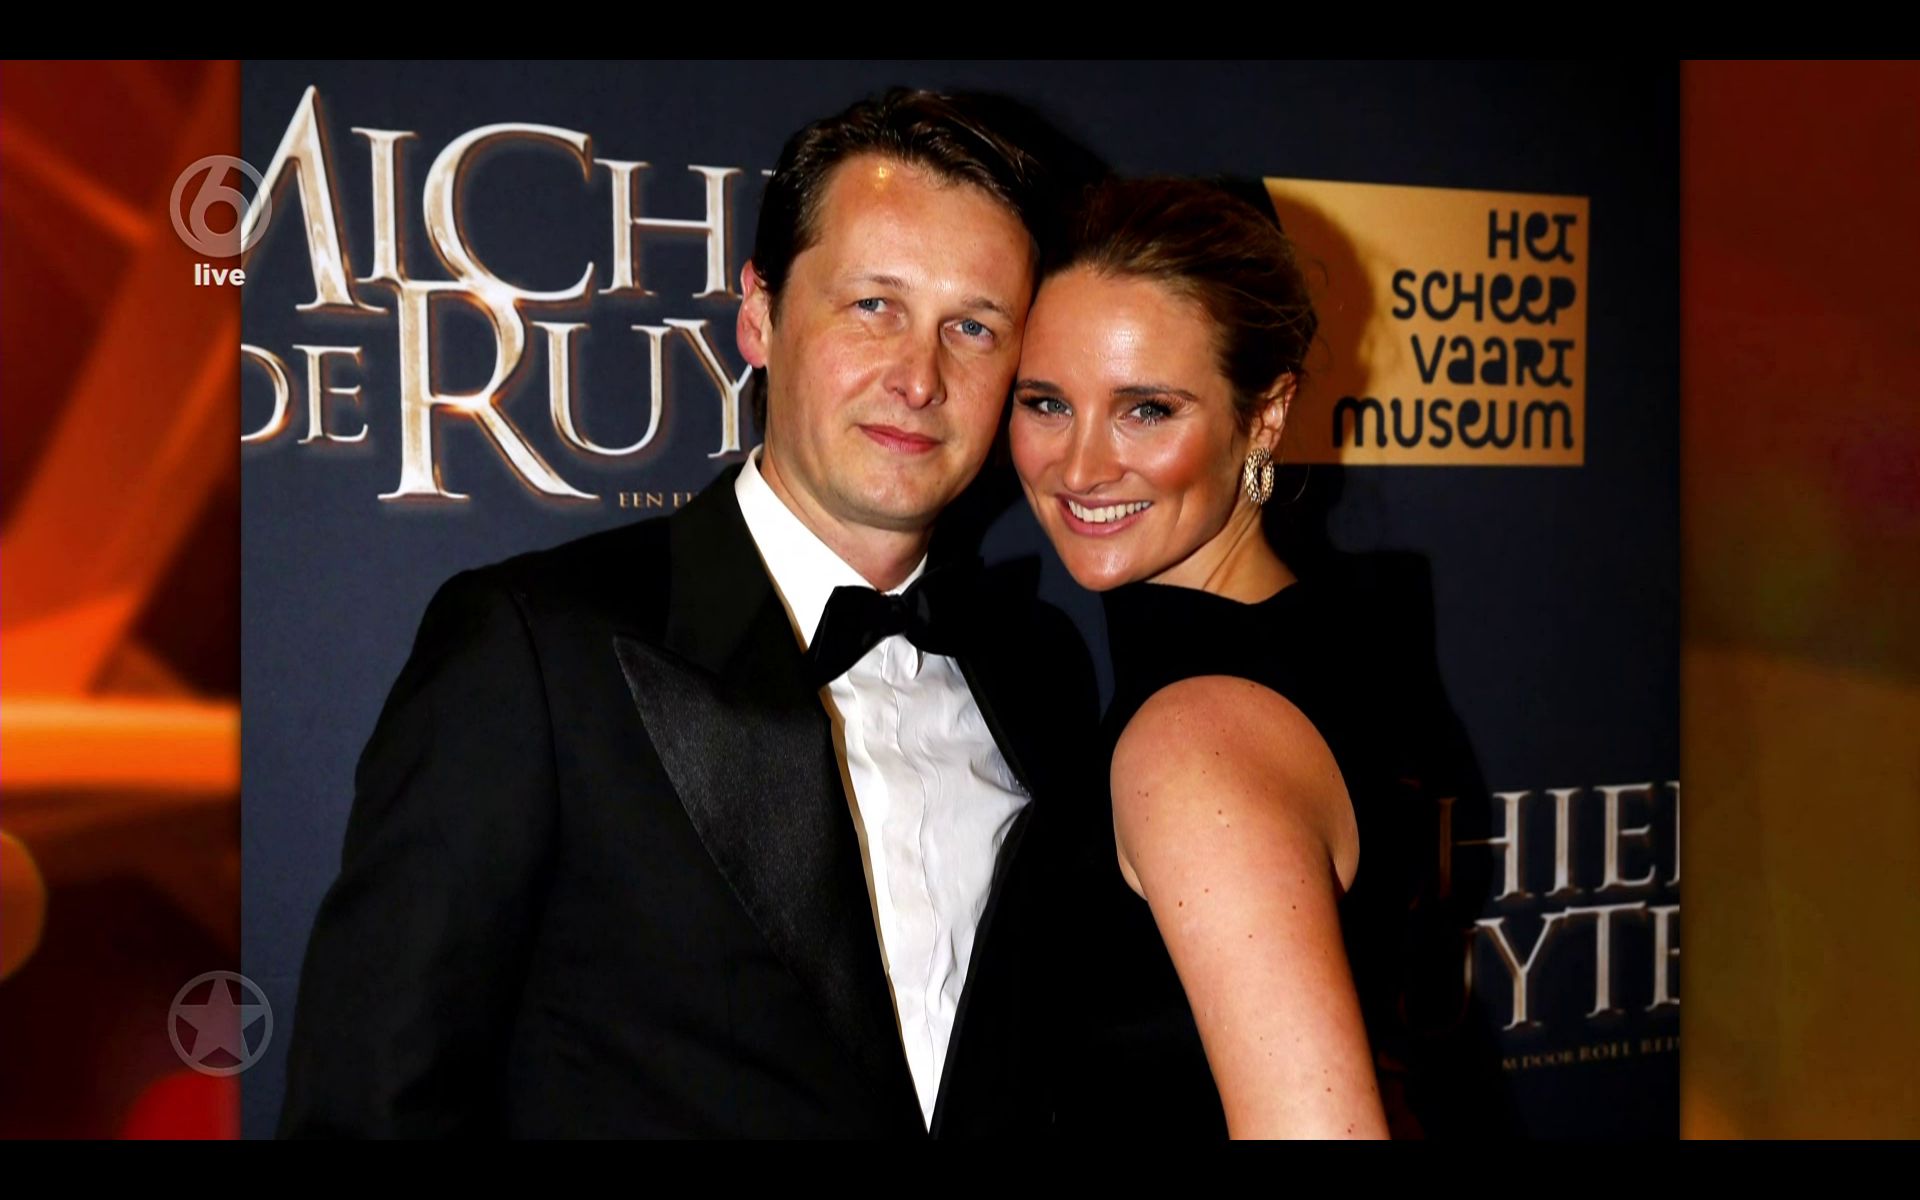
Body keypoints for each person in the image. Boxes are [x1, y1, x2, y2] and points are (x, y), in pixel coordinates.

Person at [277, 88, 1097, 1139]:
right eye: (873, 306)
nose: (920, 378)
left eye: (973, 328)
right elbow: (369, 1108)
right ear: (759, 314)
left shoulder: (1038, 667)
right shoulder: (535, 650)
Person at [1010, 177, 1411, 1139]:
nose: (1081, 466)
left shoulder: (1196, 740)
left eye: (1147, 409)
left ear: (1264, 416)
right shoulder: (1305, 639)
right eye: (1047, 402)